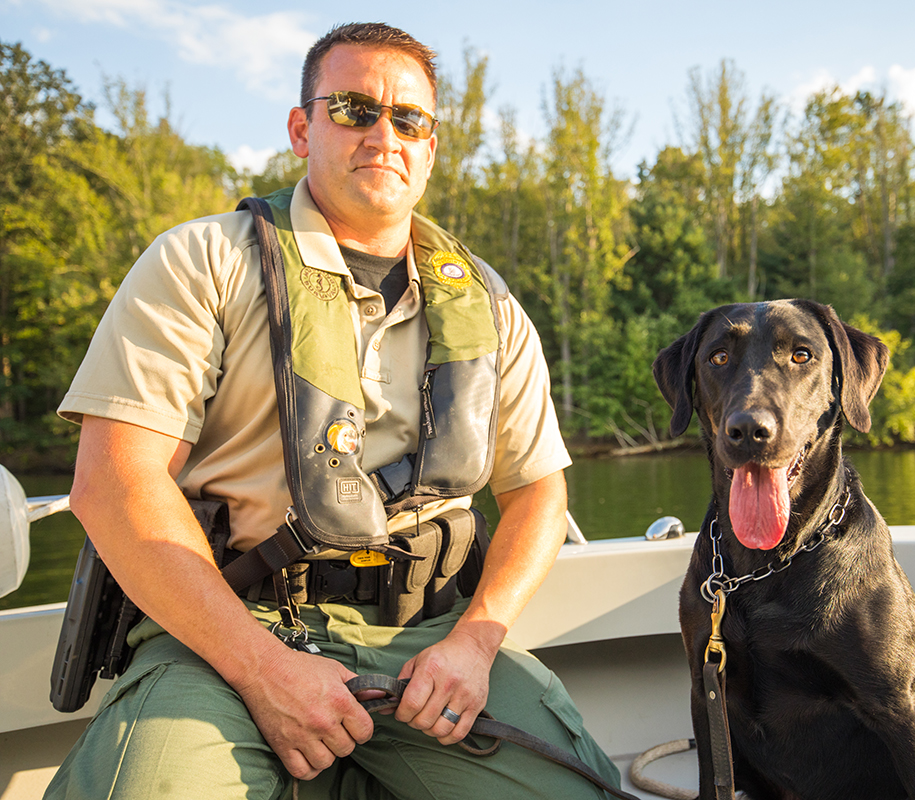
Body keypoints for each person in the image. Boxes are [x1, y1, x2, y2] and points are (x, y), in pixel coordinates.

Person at [46, 22, 619, 800]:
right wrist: (262, 668)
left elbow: (538, 494)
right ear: (300, 128)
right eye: (354, 109)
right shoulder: (201, 261)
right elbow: (115, 485)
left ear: (431, 145)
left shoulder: (487, 302)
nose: (385, 134)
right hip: (228, 631)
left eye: (409, 118)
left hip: (431, 643)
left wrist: (478, 640)